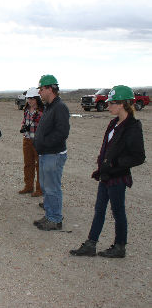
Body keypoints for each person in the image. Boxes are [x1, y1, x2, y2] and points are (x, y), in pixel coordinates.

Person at [70, 85, 145, 258]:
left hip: (118, 177)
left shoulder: (132, 128)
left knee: (118, 212)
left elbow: (138, 157)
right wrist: (102, 161)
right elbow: (108, 147)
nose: (108, 106)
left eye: (111, 103)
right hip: (105, 175)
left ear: (122, 105)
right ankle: (91, 244)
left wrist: (114, 164)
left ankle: (120, 247)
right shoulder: (114, 123)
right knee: (99, 210)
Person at [32, 74, 70, 231]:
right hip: (45, 154)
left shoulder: (60, 107)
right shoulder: (49, 107)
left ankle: (55, 219)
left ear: (49, 89)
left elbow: (62, 133)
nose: (39, 92)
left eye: (41, 89)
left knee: (52, 187)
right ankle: (49, 215)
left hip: (53, 155)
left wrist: (44, 144)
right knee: (46, 186)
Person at [18, 87, 44, 197]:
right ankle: (28, 186)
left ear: (37, 99)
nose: (29, 100)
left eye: (31, 98)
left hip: (37, 141)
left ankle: (39, 189)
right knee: (28, 164)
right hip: (27, 139)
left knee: (39, 166)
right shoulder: (26, 109)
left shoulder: (42, 110)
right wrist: (23, 125)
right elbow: (25, 120)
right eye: (28, 98)